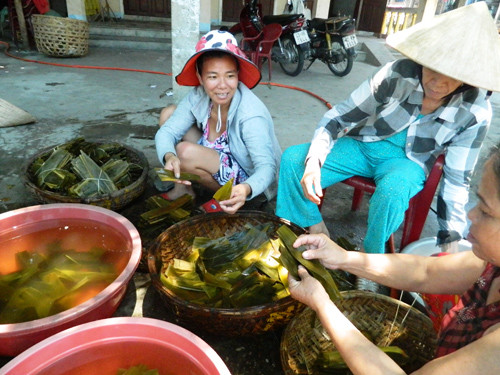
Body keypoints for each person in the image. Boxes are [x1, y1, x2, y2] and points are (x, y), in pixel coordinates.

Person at [275, 3, 500, 256]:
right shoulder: (395, 75)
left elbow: (457, 180)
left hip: (408, 162)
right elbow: (339, 117)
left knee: (393, 191)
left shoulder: (476, 112)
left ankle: (371, 256)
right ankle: (315, 227)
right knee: (294, 160)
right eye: (431, 68)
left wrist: (450, 241)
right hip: (364, 144)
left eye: (451, 75)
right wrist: (315, 159)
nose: (437, 82)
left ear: (468, 77)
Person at [288, 141, 500, 374]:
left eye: (485, 210)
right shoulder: (490, 263)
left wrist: (322, 304)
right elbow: (427, 272)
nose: (471, 214)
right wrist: (342, 258)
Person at [155, 30, 281, 214]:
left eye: (230, 76)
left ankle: (225, 199)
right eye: (213, 76)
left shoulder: (251, 114)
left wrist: (246, 189)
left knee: (183, 151)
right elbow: (167, 132)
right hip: (216, 155)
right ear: (200, 77)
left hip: (247, 176)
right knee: (168, 115)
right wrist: (168, 156)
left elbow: (266, 168)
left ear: (238, 75)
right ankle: (184, 190)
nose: (222, 85)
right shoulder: (198, 95)